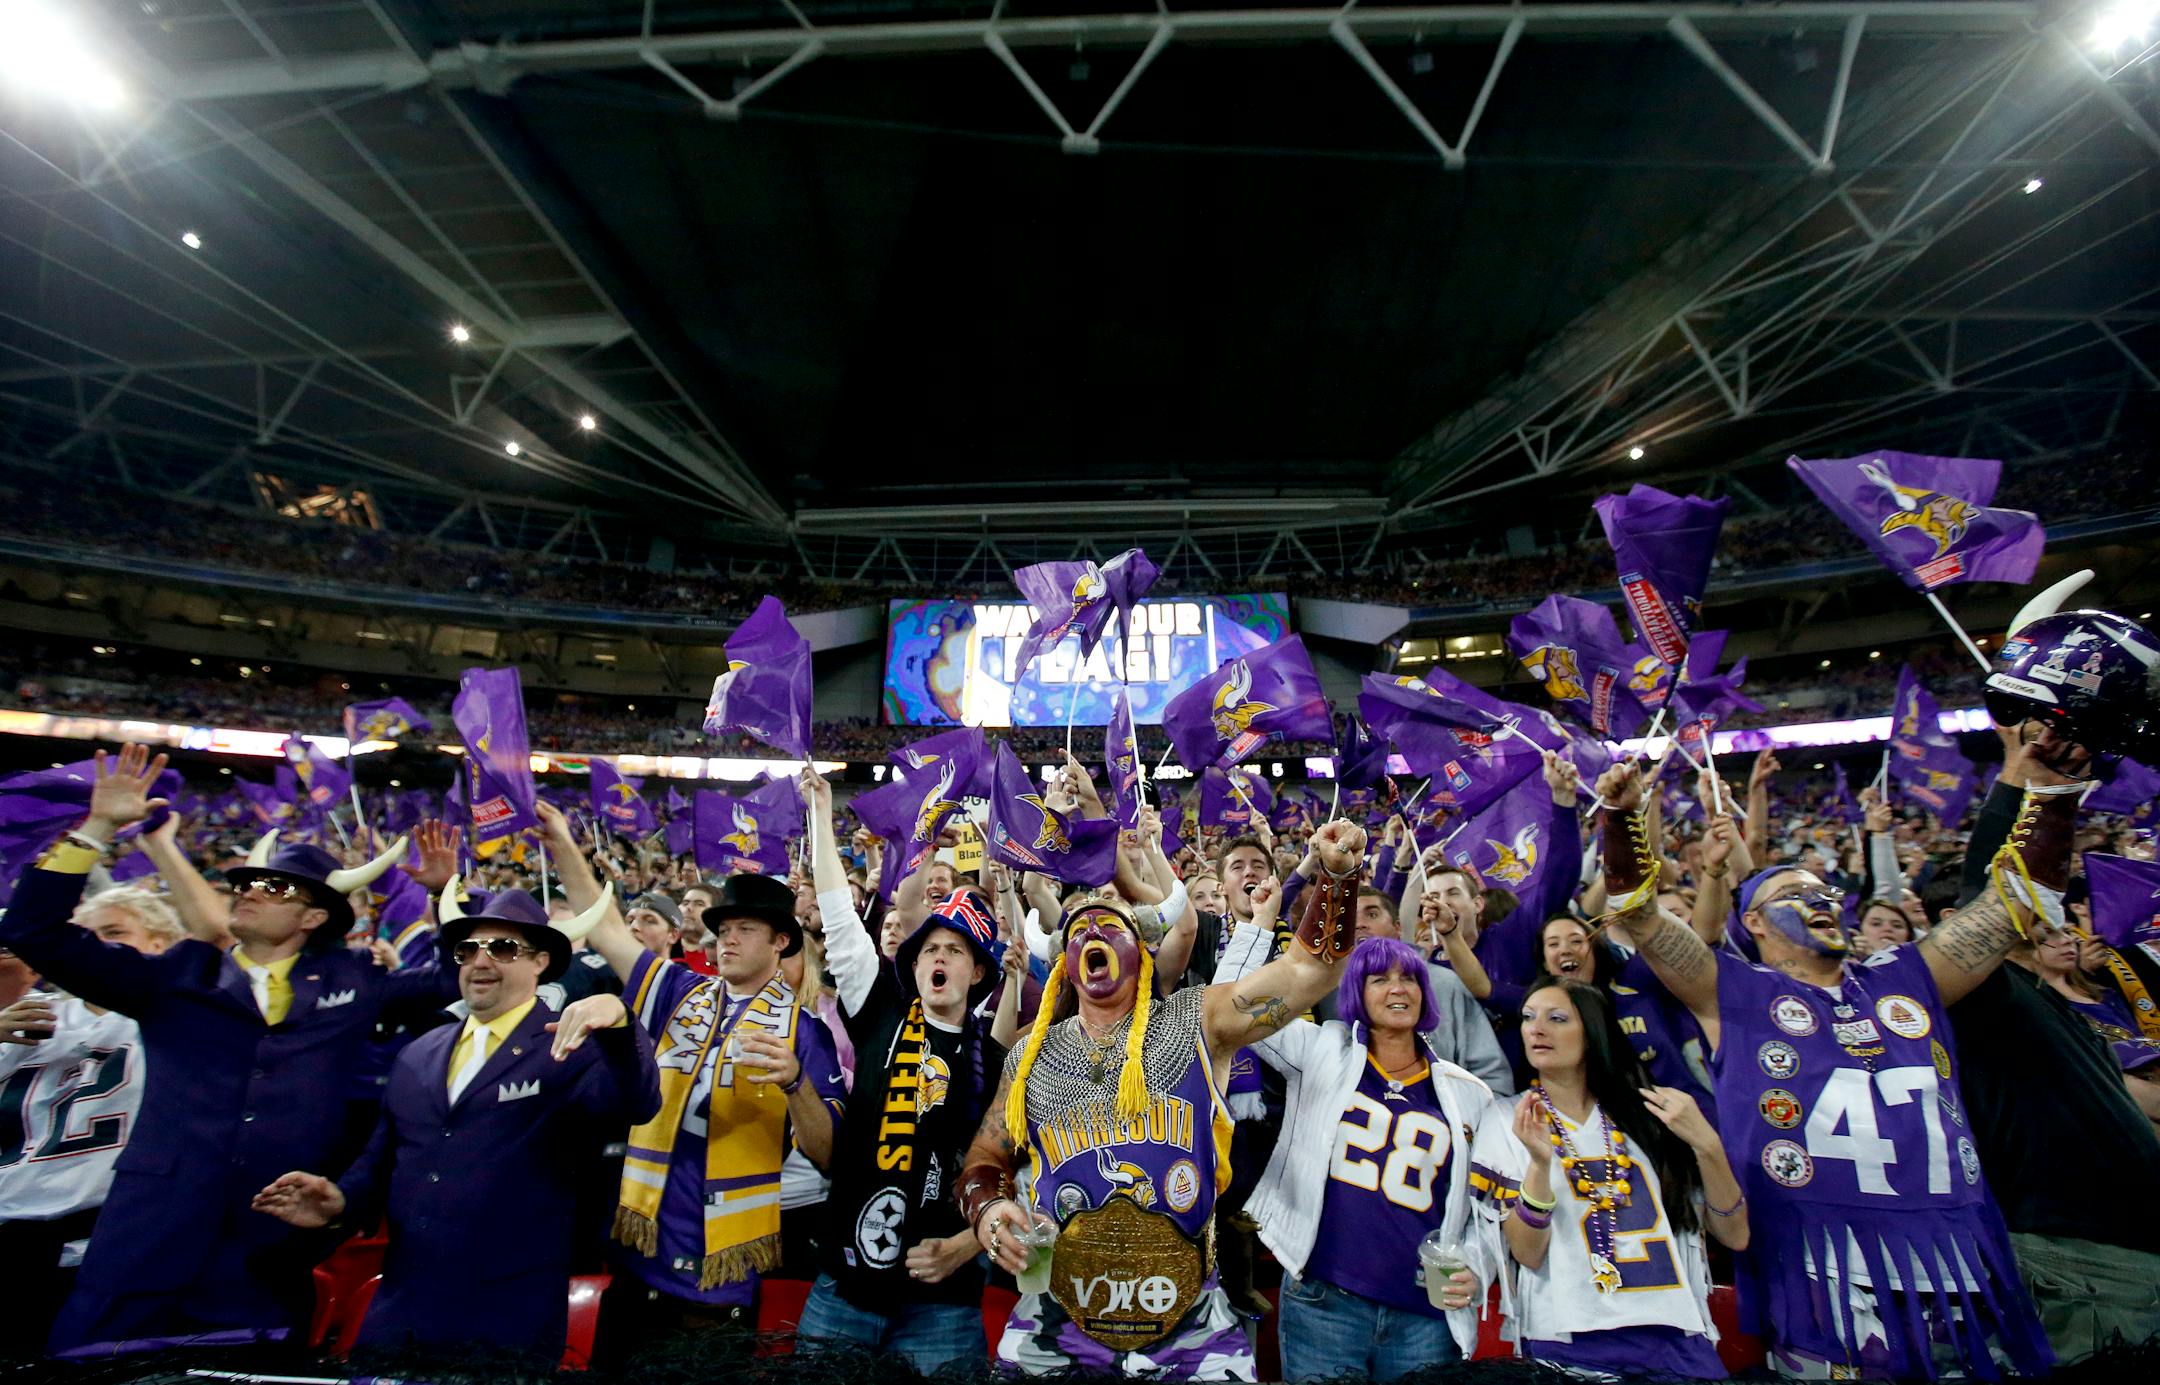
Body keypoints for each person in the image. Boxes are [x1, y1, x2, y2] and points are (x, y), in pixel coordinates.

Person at [1598, 754, 2055, 1380]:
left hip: (1953, 1261)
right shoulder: (1730, 990)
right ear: (1752, 921)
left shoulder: (1910, 978)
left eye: (1821, 891)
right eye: (1792, 893)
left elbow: (2014, 907)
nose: (1817, 900)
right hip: (1825, 1271)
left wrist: (2056, 787)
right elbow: (1639, 914)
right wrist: (1622, 820)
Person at [0, 745, 453, 1351]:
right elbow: (34, 932)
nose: (249, 891)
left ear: (314, 917)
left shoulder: (355, 981)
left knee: (247, 1359)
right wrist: (97, 828)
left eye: (273, 888)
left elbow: (455, 981)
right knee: (91, 1358)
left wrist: (443, 898)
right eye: (245, 882)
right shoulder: (177, 973)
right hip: (151, 1220)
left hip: (271, 1230)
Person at [957, 818, 1370, 1380]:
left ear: (1142, 950)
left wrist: (1339, 879)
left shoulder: (1197, 1020)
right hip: (1058, 1319)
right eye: (1079, 930)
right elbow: (984, 1162)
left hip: (1189, 1317)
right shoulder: (1033, 1054)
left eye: (1112, 925)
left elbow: (1310, 971)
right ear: (1064, 964)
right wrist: (988, 1213)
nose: (1093, 935)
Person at [252, 884, 658, 1358]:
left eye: (503, 948)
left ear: (540, 962)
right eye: (467, 950)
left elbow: (636, 1104)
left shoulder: (572, 1048)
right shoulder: (419, 1051)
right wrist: (340, 1201)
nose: (480, 962)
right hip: (401, 1310)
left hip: (508, 1317)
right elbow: (381, 1163)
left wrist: (621, 1024)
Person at [530, 801, 848, 1364]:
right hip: (637, 1258)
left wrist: (798, 1084)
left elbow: (829, 1156)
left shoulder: (806, 1033)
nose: (725, 939)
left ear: (780, 943)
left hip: (716, 1281)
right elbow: (603, 928)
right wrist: (560, 842)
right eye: (722, 928)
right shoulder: (680, 991)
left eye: (744, 929)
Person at [793, 768, 1008, 1371]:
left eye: (955, 951)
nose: (938, 958)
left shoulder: (994, 1063)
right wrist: (821, 813)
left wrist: (968, 1246)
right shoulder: (878, 1010)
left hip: (943, 1303)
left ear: (978, 974)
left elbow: (1019, 1170)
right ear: (912, 968)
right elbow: (838, 917)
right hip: (845, 1286)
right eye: (928, 950)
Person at [1228, 936, 1499, 1380]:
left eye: (1409, 978)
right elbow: (1235, 1004)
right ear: (1355, 989)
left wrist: (1477, 1262)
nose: (1398, 988)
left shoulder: (1470, 1093)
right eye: (1380, 979)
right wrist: (1256, 925)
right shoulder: (1318, 1052)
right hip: (1325, 1305)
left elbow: (1484, 1210)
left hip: (1425, 1317)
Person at [1474, 979, 1745, 1378]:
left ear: (1593, 1029)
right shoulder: (1504, 1119)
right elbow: (1528, 1253)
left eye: (1557, 1018)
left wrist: (1708, 1146)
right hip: (1568, 1338)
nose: (1536, 1028)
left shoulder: (1650, 1114)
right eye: (1528, 1017)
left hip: (1674, 1337)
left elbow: (1735, 1235)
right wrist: (1538, 1164)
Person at [0, 887, 181, 1348]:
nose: (97, 947)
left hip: (96, 1232)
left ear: (163, 943)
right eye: (85, 937)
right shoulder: (30, 1014)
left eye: (115, 933)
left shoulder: (181, 1017)